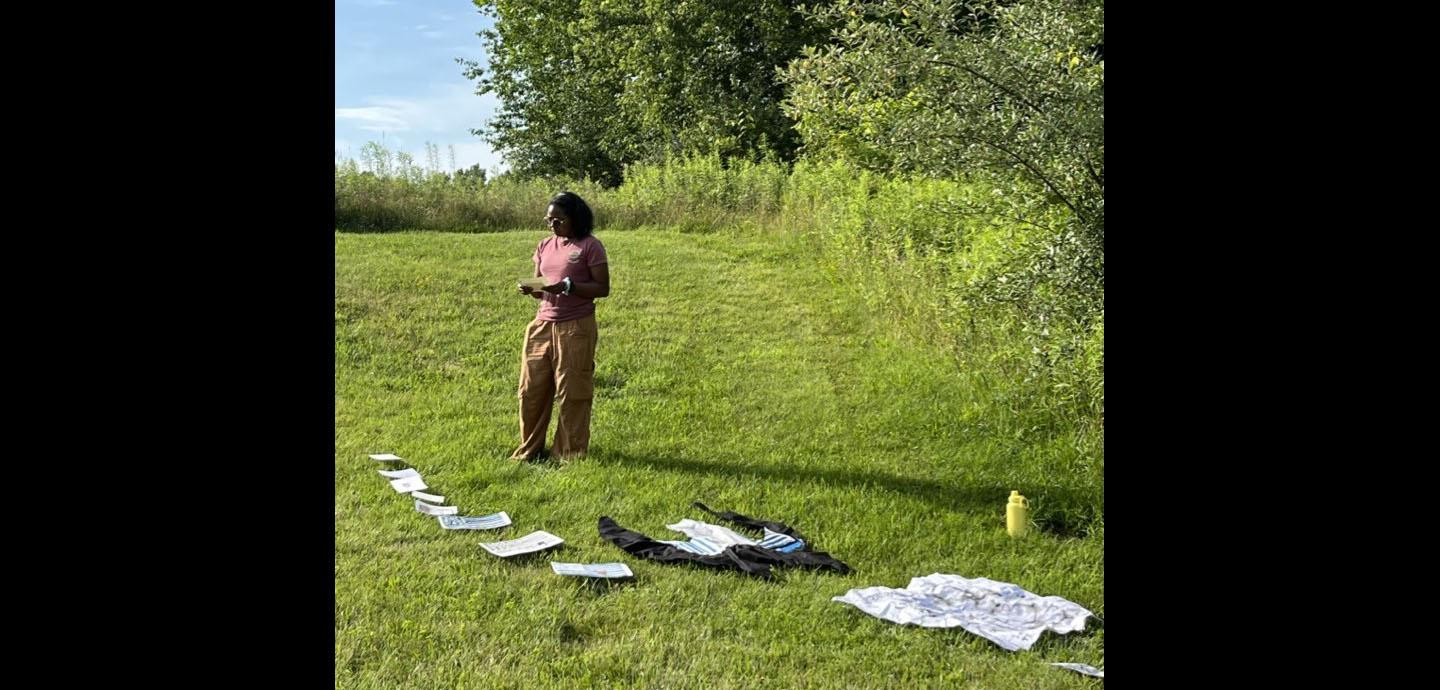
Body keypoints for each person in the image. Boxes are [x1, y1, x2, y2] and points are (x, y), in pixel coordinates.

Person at [511, 191, 609, 460]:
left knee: (572, 391)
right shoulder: (544, 245)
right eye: (549, 220)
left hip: (575, 326)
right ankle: (529, 450)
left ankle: (569, 454)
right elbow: (541, 285)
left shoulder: (590, 246)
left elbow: (602, 288)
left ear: (574, 218)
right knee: (531, 390)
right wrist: (531, 289)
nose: (552, 225)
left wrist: (569, 286)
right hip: (542, 324)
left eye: (558, 220)